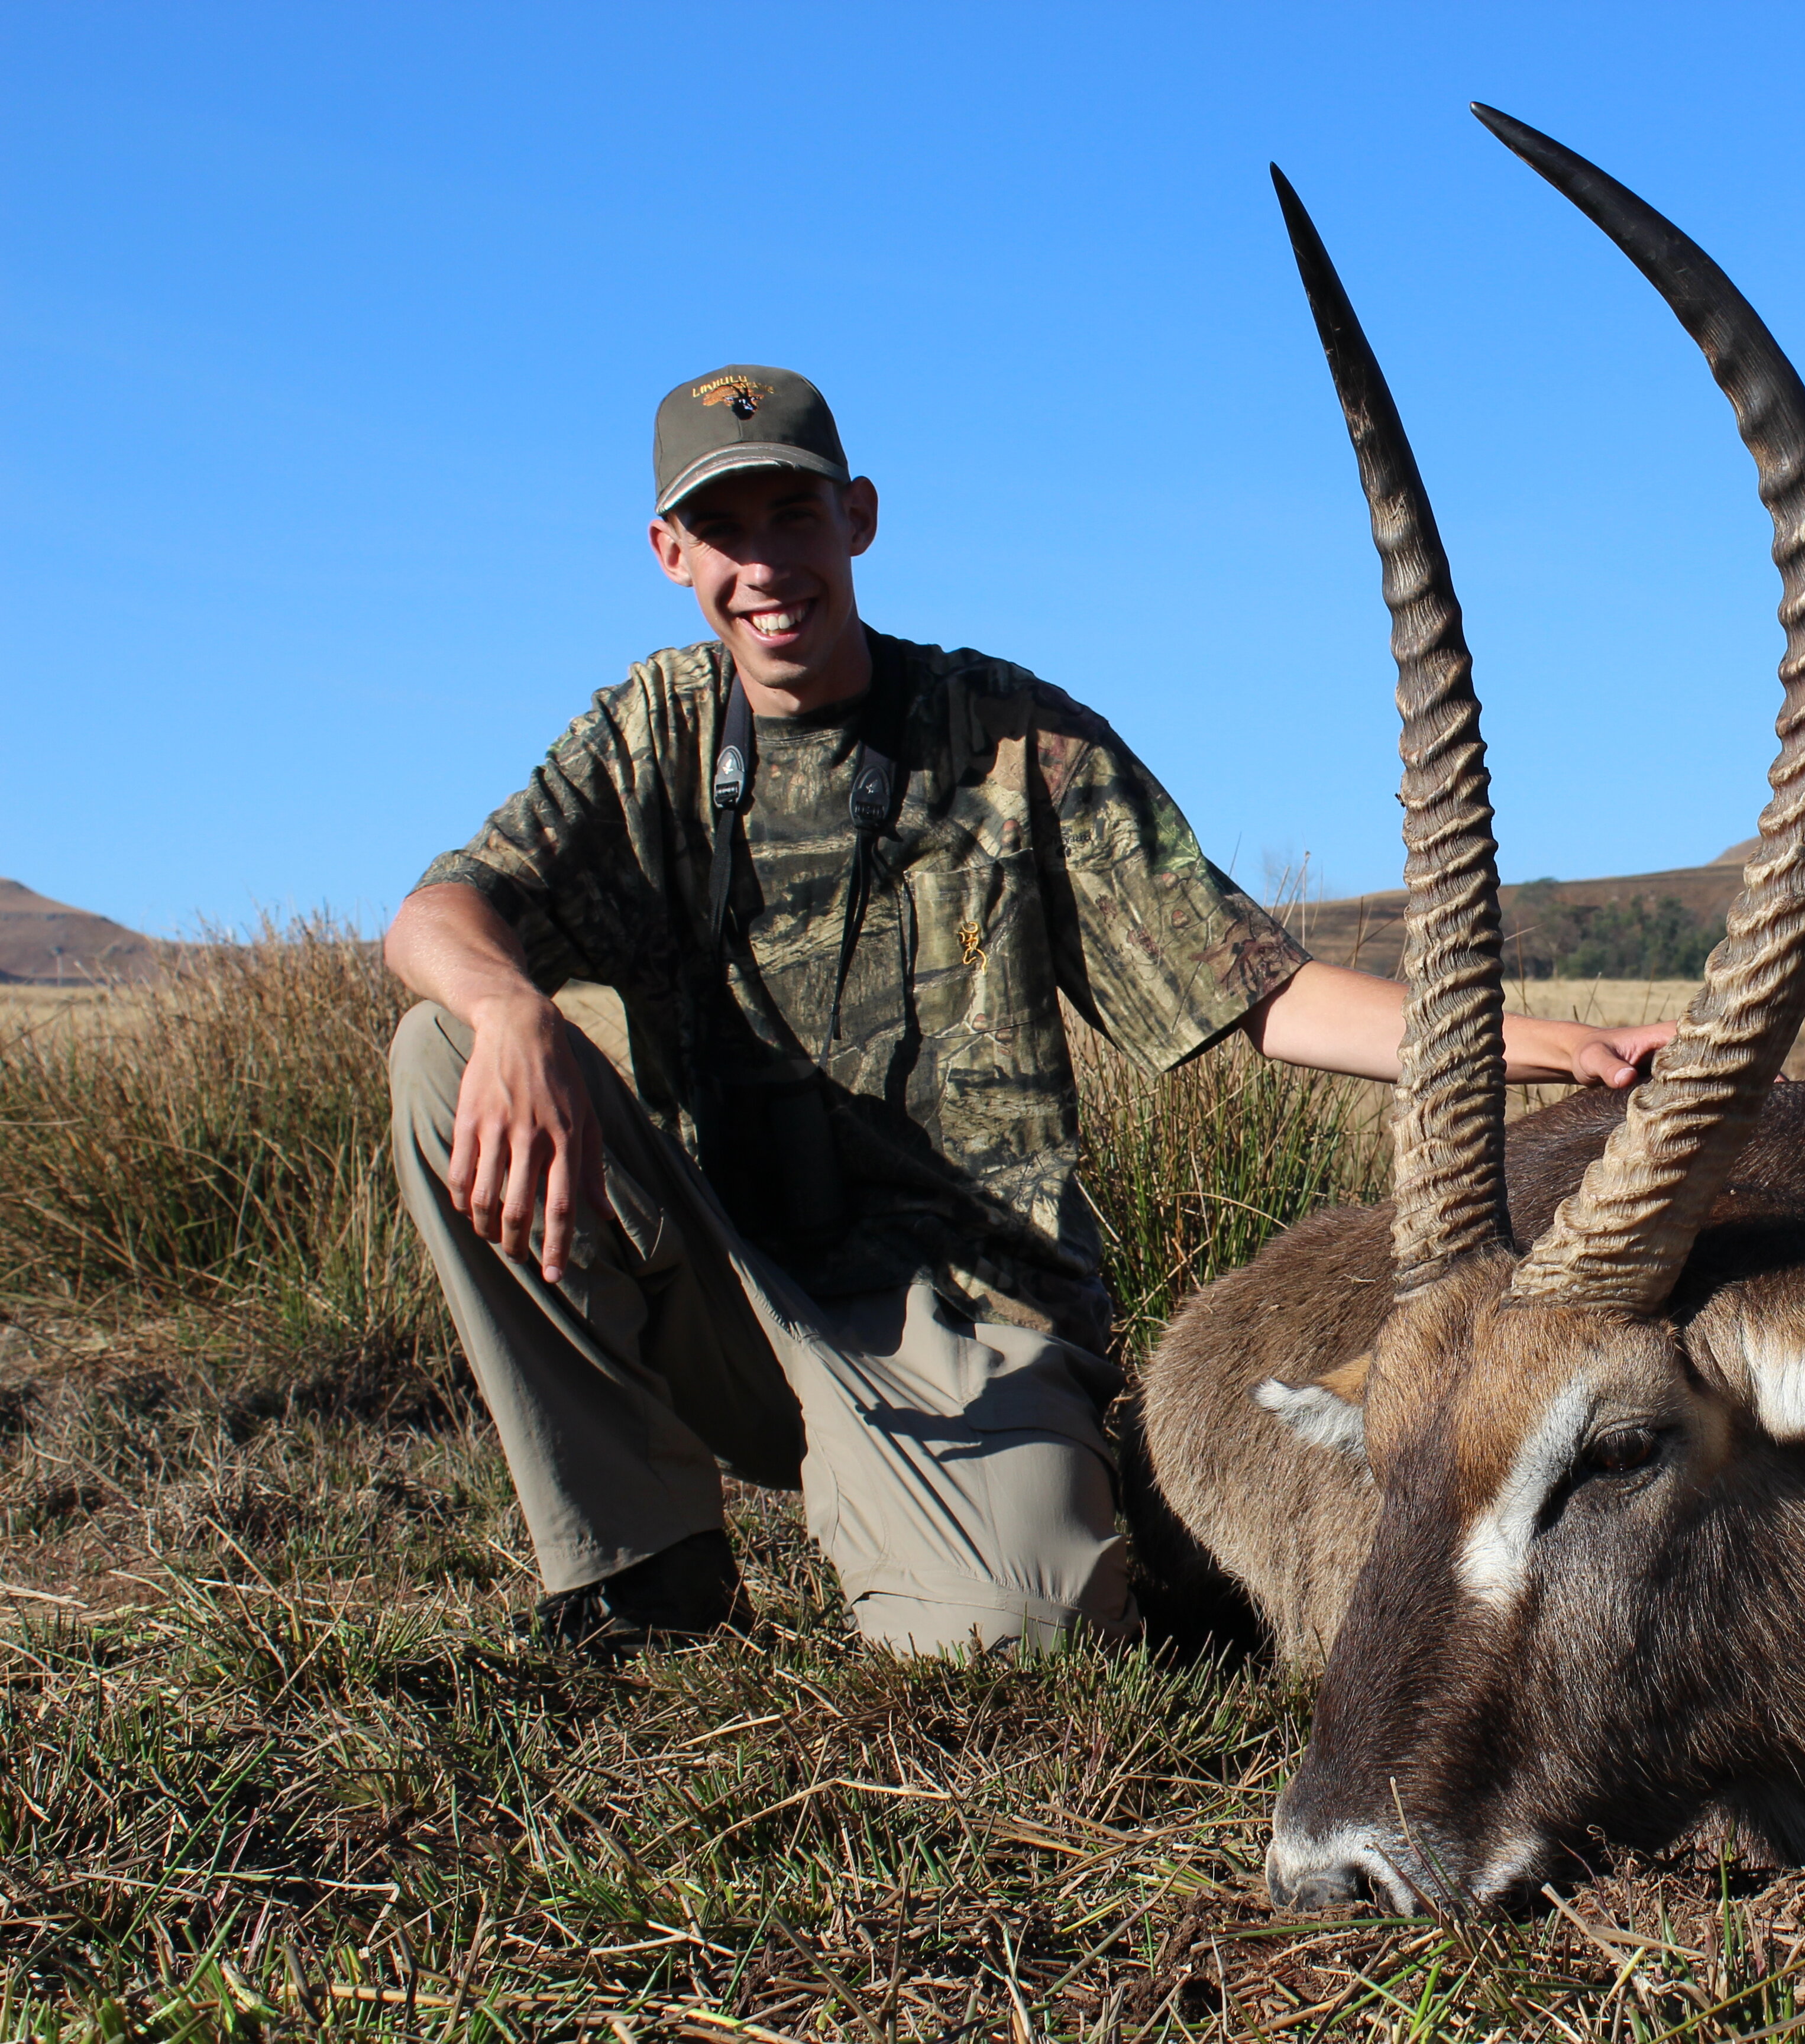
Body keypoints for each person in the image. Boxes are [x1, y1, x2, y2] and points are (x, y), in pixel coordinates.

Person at [383, 365, 1668, 1660]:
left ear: (860, 518)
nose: (764, 566)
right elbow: (435, 916)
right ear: (670, 553)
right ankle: (643, 1570)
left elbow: (1259, 994)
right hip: (733, 1295)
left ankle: (974, 1509)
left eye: (795, 517)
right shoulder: (648, 734)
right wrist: (512, 1013)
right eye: (724, 530)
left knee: (1023, 1635)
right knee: (446, 1050)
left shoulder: (1011, 735)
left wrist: (1559, 1049)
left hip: (966, 1316)